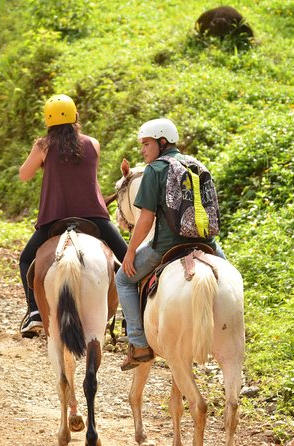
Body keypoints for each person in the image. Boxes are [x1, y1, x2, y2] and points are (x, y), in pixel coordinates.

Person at [117, 118, 225, 371]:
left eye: (146, 144)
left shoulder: (155, 170)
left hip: (166, 246)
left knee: (123, 279)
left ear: (162, 141)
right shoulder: (197, 165)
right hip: (207, 243)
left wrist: (130, 252)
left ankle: (139, 343)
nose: (143, 150)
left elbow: (145, 218)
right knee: (232, 281)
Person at [18, 94, 127, 338]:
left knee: (26, 260)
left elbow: (24, 175)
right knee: (129, 260)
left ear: (48, 120)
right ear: (76, 116)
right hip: (94, 218)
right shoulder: (93, 144)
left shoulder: (43, 146)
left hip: (55, 218)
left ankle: (34, 311)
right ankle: (132, 318)